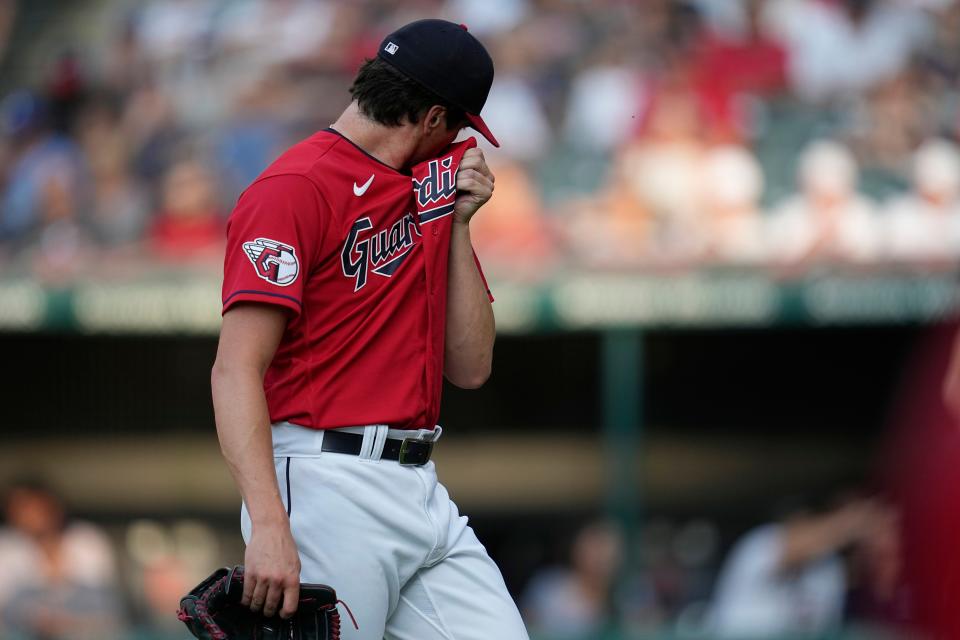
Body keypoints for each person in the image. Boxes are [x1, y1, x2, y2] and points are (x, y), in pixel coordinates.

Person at [210, 18, 529, 640]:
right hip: (324, 484)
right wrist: (270, 522)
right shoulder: (293, 189)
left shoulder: (427, 192)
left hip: (420, 483)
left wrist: (460, 226)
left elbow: (470, 368)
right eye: (460, 124)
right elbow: (234, 368)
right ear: (434, 118)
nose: (463, 140)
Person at [0, 478, 124, 639]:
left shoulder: (86, 540)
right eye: (19, 508)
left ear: (50, 505)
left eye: (32, 507)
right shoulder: (7, 548)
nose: (28, 515)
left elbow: (105, 607)